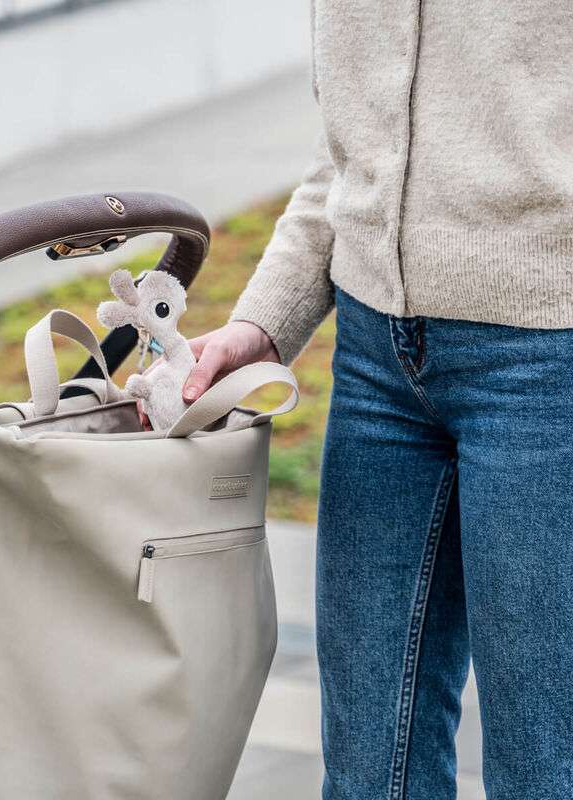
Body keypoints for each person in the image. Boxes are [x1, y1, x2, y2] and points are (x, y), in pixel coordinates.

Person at [179, 4, 573, 799]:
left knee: (542, 766)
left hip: (546, 360)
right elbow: (347, 157)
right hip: (376, 367)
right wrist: (264, 319)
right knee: (366, 769)